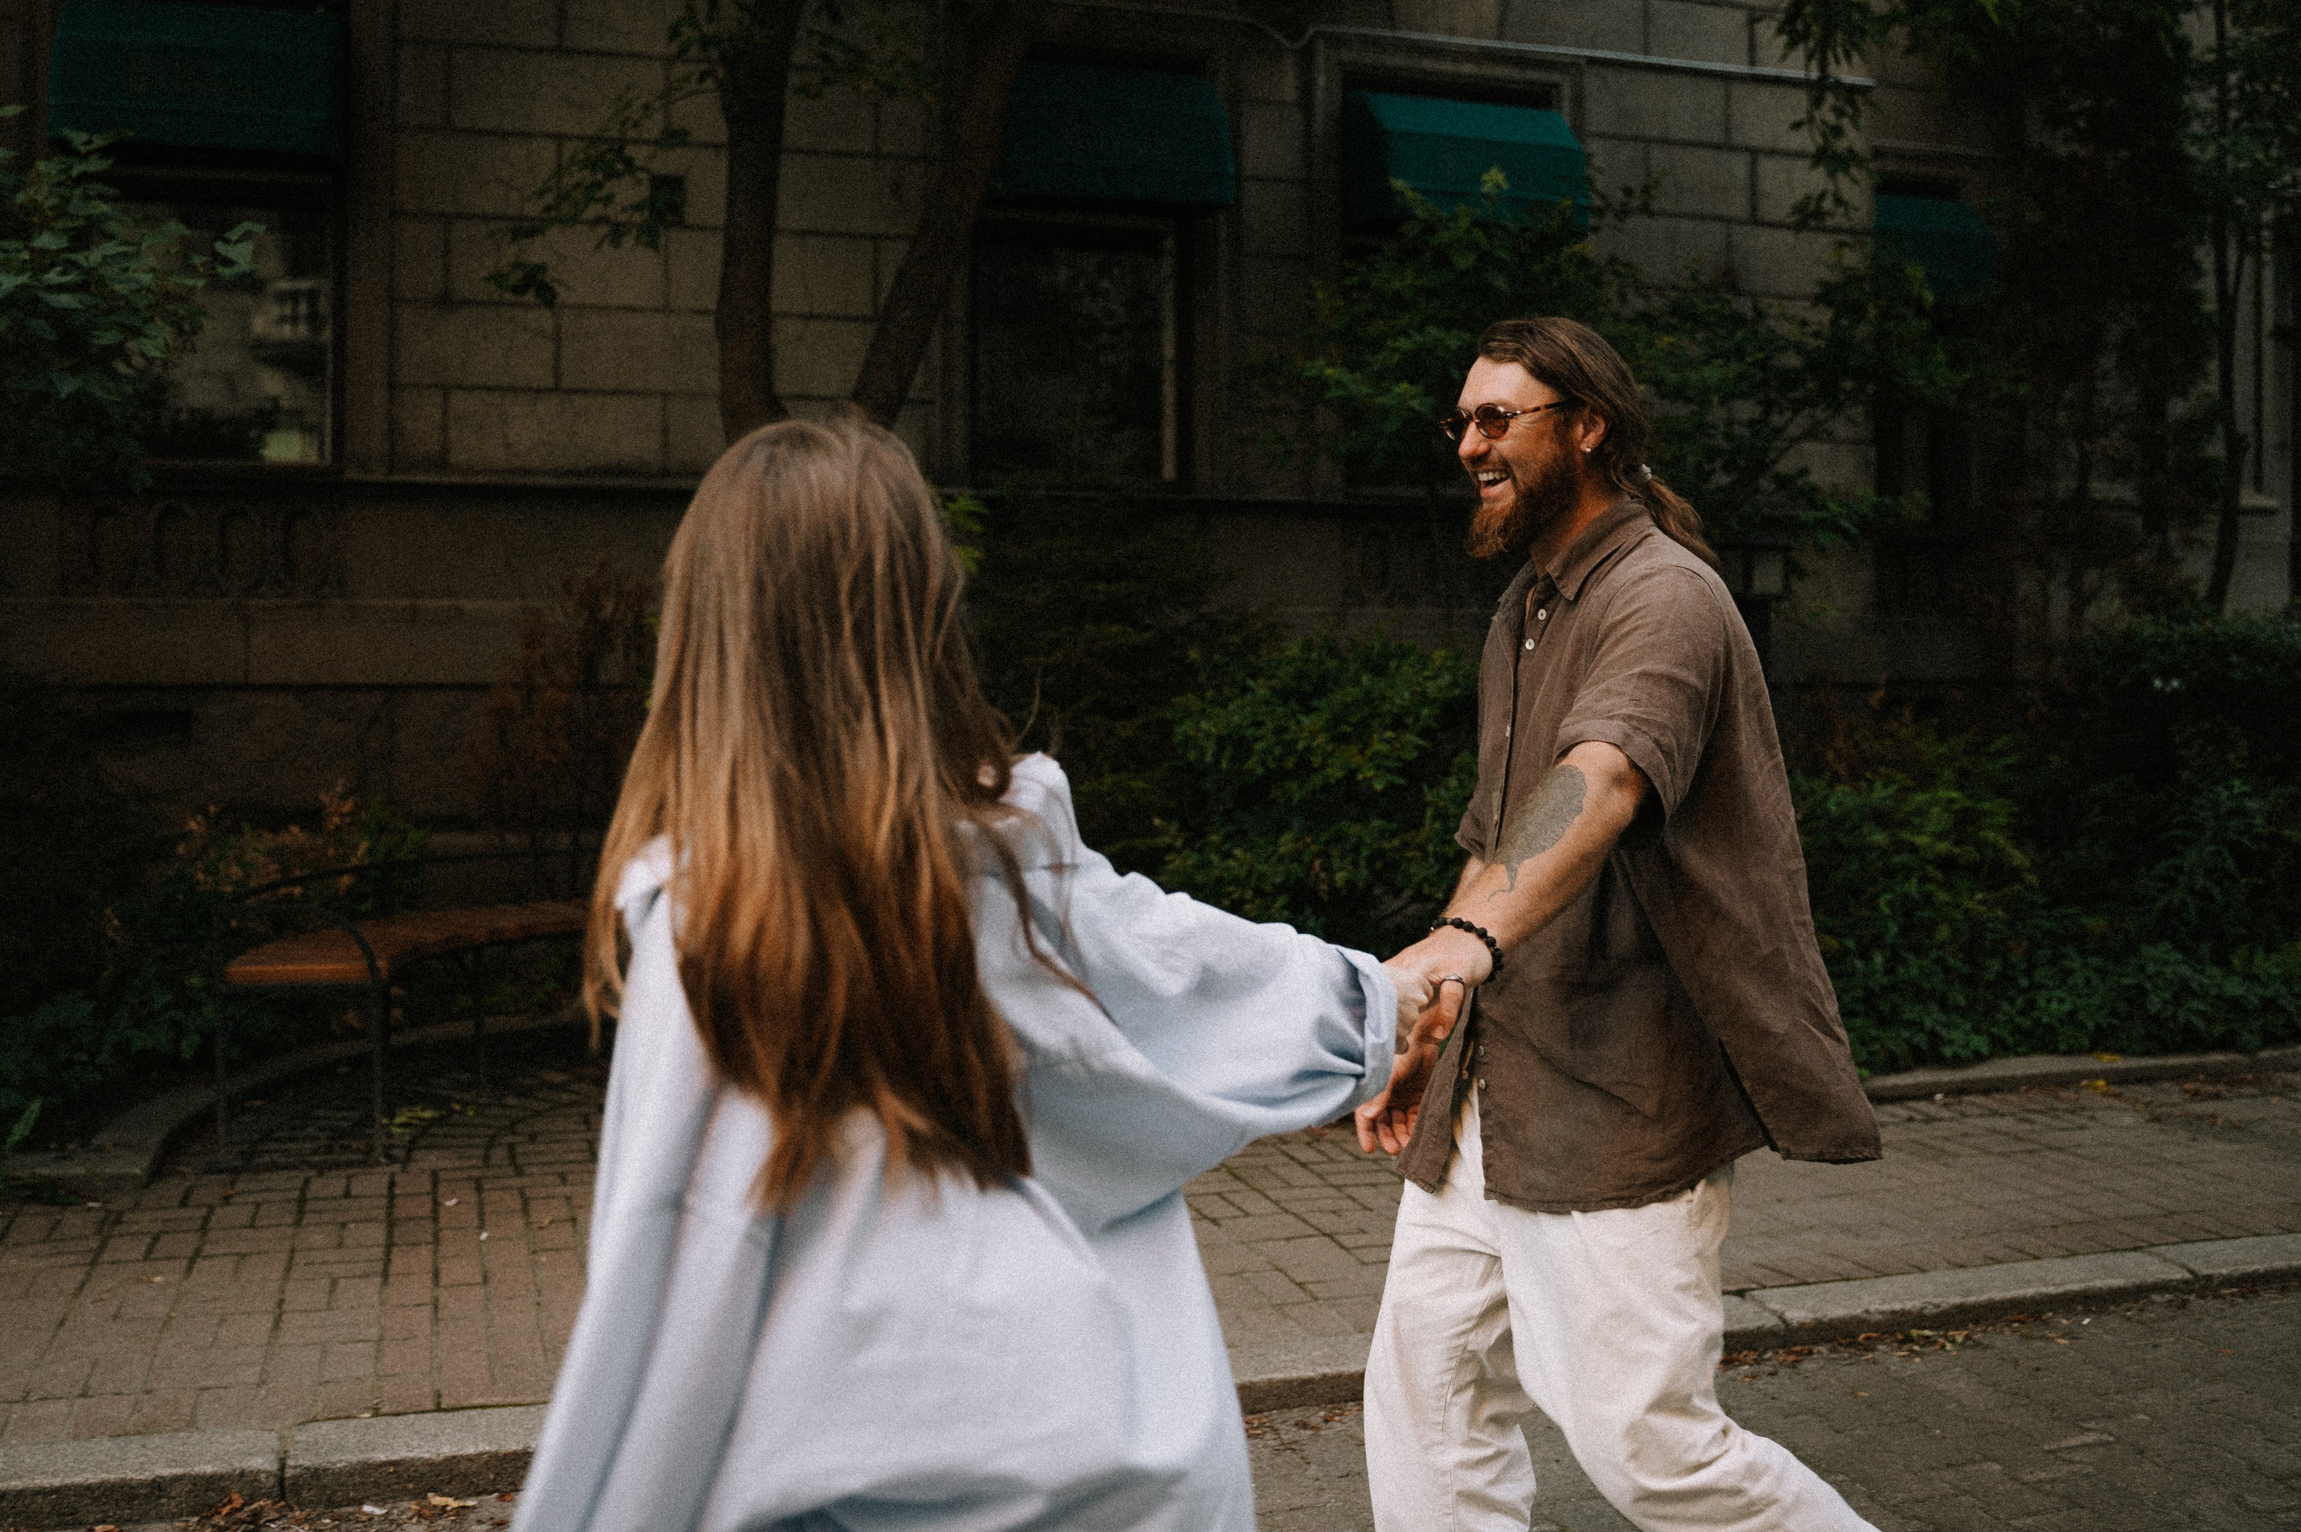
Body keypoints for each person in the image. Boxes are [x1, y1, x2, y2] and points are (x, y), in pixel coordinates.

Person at [512, 415, 1422, 1532]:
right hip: (1099, 1467)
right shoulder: (1006, 863)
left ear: (706, 636)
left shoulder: (716, 924)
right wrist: (1386, 1005)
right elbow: (1194, 978)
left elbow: (665, 1275)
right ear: (923, 618)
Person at [1355, 317, 1884, 1532]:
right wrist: (1439, 1008)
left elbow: (1596, 782)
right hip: (1493, 1086)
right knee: (1430, 1403)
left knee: (1648, 1449)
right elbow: (1502, 840)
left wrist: (1464, 943)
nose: (1469, 444)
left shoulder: (1663, 596)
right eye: (1461, 420)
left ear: (1586, 426)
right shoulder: (1525, 611)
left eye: (1499, 418)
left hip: (1616, 1095)